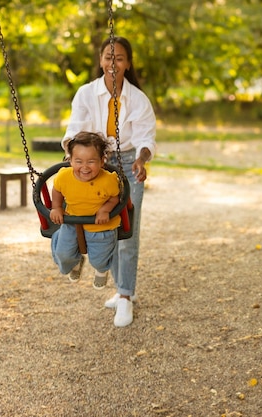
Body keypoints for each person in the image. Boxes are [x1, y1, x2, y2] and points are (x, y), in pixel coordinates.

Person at [62, 36, 157, 327]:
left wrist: (141, 160)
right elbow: (75, 130)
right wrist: (75, 159)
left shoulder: (138, 100)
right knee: (87, 217)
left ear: (127, 64)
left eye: (118, 58)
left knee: (127, 227)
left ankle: (125, 295)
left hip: (128, 163)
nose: (112, 63)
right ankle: (88, 264)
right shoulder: (86, 94)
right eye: (107, 57)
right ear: (100, 61)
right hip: (95, 162)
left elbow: (144, 139)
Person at [50, 131, 121, 293]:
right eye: (78, 161)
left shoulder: (108, 180)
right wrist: (57, 207)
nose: (84, 167)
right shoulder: (64, 176)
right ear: (70, 160)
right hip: (72, 222)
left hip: (100, 226)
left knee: (99, 259)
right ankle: (75, 261)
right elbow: (57, 191)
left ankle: (101, 269)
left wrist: (105, 210)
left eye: (91, 161)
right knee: (64, 254)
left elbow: (115, 198)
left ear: (102, 161)